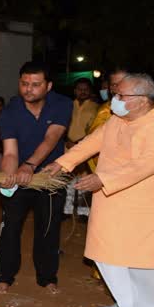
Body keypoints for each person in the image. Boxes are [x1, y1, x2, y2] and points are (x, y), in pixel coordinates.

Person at [45, 73, 154, 307]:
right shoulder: (117, 120)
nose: (115, 100)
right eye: (116, 94)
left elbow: (146, 164)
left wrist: (102, 178)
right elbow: (91, 142)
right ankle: (128, 304)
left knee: (149, 262)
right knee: (108, 255)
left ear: (143, 101)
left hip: (150, 205)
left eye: (121, 96)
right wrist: (63, 162)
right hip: (112, 200)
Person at [0, 62, 72, 294]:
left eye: (35, 85)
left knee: (48, 228)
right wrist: (8, 175)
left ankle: (48, 277)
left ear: (48, 86)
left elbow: (52, 138)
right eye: (24, 84)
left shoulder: (62, 104)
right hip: (20, 177)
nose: (29, 89)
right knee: (10, 228)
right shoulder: (10, 111)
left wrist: (30, 165)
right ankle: (5, 275)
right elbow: (9, 152)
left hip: (49, 178)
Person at [63, 78, 99, 220]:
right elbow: (61, 124)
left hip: (86, 148)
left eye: (85, 89)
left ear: (90, 91)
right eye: (79, 89)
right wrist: (67, 140)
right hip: (67, 146)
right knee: (68, 179)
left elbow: (96, 129)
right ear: (75, 91)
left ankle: (83, 212)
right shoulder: (68, 105)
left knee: (85, 179)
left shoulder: (96, 107)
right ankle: (67, 210)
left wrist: (79, 143)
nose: (82, 92)